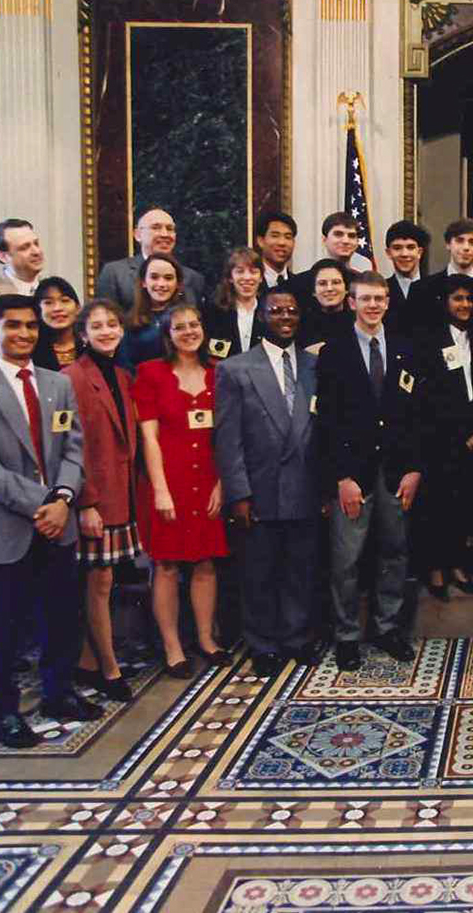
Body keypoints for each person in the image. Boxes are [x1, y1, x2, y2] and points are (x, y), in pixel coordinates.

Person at [0, 294, 100, 748]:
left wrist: (64, 498)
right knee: (1, 629)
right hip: (4, 525)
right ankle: (2, 713)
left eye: (30, 326)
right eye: (12, 326)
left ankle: (58, 693)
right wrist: (45, 505)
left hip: (59, 524)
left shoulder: (57, 384)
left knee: (62, 618)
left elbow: (74, 448)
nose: (23, 334)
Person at [315, 271, 425, 671]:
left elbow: (416, 417)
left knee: (394, 553)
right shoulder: (334, 352)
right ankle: (346, 636)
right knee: (347, 559)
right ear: (351, 303)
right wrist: (341, 478)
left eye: (379, 298)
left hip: (396, 471)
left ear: (387, 302)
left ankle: (387, 628)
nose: (374, 305)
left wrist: (414, 469)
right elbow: (326, 421)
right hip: (353, 474)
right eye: (365, 299)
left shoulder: (406, 349)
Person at [213, 290, 324, 677]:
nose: (285, 316)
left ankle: (296, 638)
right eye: (276, 310)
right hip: (259, 490)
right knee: (259, 573)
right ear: (262, 316)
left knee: (300, 569)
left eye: (292, 310)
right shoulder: (235, 369)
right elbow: (228, 440)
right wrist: (238, 493)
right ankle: (262, 645)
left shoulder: (315, 366)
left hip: (306, 487)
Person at [133, 303, 229, 676]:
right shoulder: (151, 374)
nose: (188, 331)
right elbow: (149, 437)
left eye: (194, 325)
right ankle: (173, 646)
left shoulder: (218, 373)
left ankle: (206, 638)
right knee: (168, 565)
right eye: (179, 327)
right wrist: (160, 489)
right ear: (167, 334)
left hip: (207, 481)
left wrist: (222, 483)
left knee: (205, 562)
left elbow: (226, 436)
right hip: (167, 480)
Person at [63, 298, 141, 701]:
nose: (108, 331)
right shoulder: (71, 377)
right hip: (94, 500)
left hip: (120, 496)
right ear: (82, 334)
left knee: (103, 583)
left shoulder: (122, 375)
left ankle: (89, 662)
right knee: (99, 583)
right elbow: (70, 448)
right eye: (98, 326)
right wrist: (85, 502)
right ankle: (108, 670)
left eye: (113, 324)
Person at [419, 278, 473, 599]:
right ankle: (436, 570)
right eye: (457, 299)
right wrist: (461, 433)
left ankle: (458, 567)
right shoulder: (430, 340)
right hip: (442, 438)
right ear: (445, 302)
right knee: (439, 505)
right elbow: (434, 396)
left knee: (465, 507)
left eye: (468, 299)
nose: (464, 305)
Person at [94, 207, 207, 312]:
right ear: (138, 235)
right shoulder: (115, 273)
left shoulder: (194, 278)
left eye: (170, 229)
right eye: (156, 227)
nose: (164, 234)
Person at [415, 219, 473, 336]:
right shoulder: (422, 289)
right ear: (448, 244)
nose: (466, 247)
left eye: (472, 242)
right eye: (460, 241)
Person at [121, 254, 187, 369]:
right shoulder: (129, 321)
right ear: (143, 282)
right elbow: (125, 366)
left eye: (168, 278)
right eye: (154, 277)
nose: (161, 284)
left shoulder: (189, 318)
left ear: (178, 284)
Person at [202, 247, 267, 359]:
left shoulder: (268, 312)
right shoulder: (215, 312)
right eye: (240, 271)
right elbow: (214, 355)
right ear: (230, 277)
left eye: (253, 272)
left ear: (261, 277)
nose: (247, 277)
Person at [383, 219, 430, 336]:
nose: (404, 254)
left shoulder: (436, 288)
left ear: (419, 252)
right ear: (388, 253)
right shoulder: (381, 291)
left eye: (410, 247)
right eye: (397, 248)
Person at [300, 258, 355, 352]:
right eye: (322, 283)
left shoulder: (359, 322)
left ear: (346, 289)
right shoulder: (302, 326)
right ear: (314, 291)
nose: (329, 288)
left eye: (336, 282)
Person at [32, 276, 83, 370]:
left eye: (65, 301)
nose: (57, 308)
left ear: (78, 308)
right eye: (48, 303)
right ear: (38, 310)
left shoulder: (90, 345)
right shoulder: (30, 349)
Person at [253, 211, 299, 293]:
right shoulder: (249, 284)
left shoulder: (300, 285)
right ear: (260, 241)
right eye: (275, 236)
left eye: (288, 237)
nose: (282, 242)